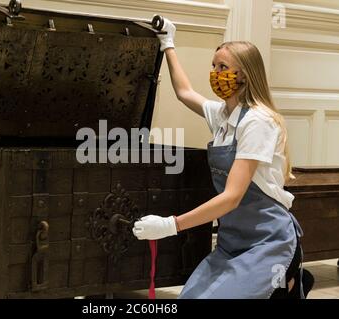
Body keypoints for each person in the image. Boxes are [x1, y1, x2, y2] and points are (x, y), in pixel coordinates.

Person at [132, 17, 314, 299]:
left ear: (244, 74)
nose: (215, 73)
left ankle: (288, 273)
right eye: (214, 66)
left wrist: (170, 225)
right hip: (232, 242)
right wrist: (169, 42)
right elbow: (184, 93)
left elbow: (232, 197)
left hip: (267, 242)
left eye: (223, 67)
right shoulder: (223, 115)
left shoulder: (258, 122)